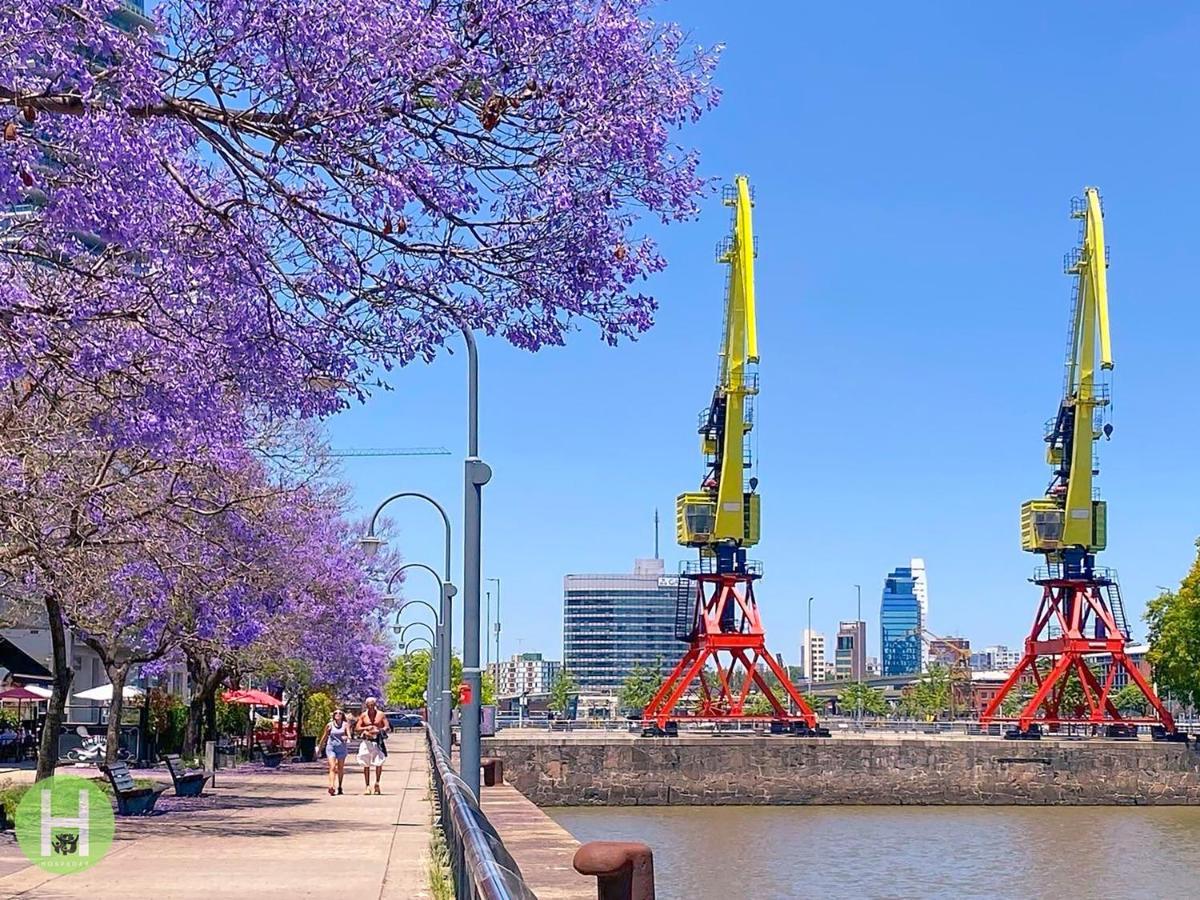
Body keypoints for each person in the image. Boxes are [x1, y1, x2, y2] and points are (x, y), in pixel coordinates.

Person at [354, 697, 389, 795]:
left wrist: (380, 730)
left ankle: (377, 783)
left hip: (377, 742)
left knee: (379, 763)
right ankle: (367, 786)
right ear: (366, 705)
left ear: (375, 705)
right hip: (367, 741)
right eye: (369, 705)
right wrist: (366, 728)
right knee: (366, 764)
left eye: (372, 705)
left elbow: (387, 726)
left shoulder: (381, 714)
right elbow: (357, 728)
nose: (371, 707)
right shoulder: (363, 715)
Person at [318, 709, 352, 796]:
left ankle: (340, 786)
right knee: (332, 767)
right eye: (336, 713)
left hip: (341, 748)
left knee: (340, 768)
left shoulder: (345, 725)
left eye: (340, 713)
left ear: (342, 715)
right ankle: (331, 786)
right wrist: (319, 748)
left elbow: (349, 736)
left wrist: (347, 738)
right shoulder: (329, 725)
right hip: (331, 747)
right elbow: (324, 737)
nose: (338, 714)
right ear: (333, 715)